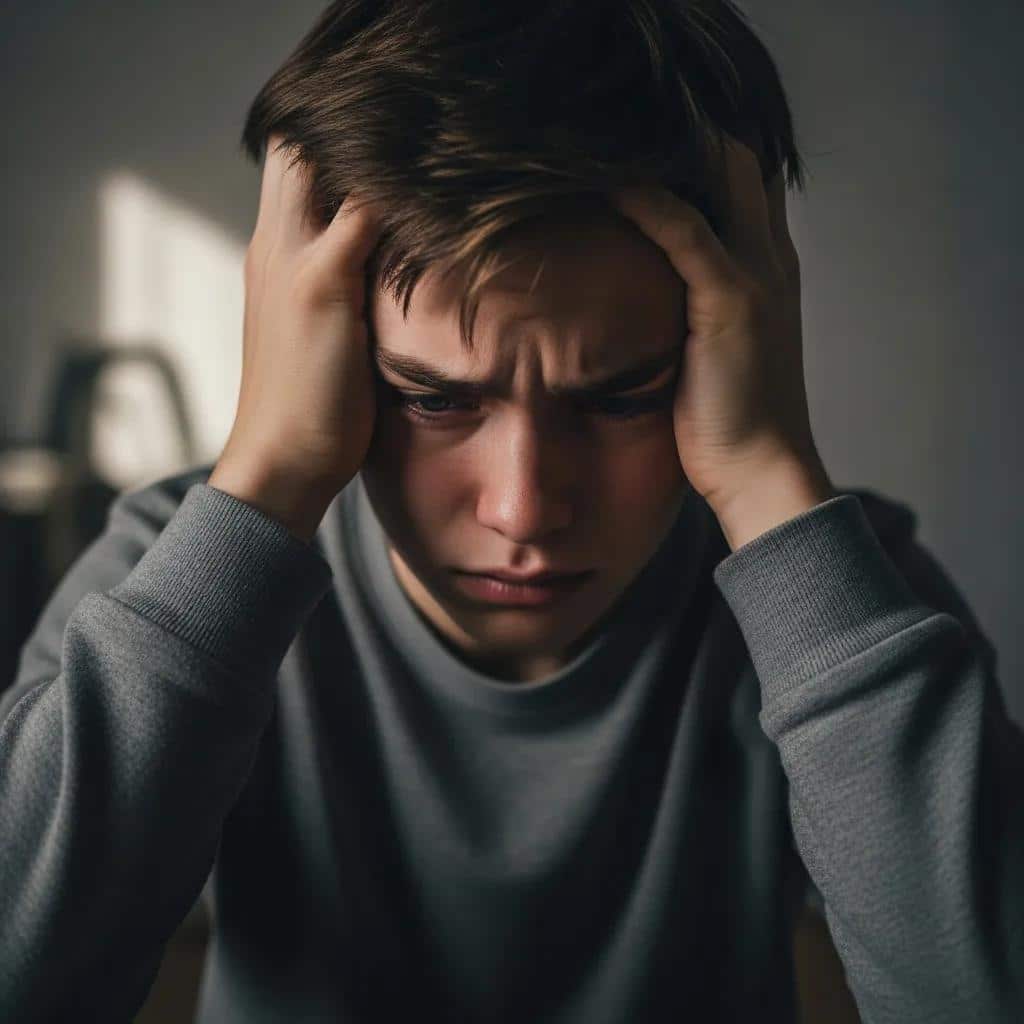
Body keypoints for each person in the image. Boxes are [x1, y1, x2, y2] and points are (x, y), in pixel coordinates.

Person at [2, 2, 1021, 1021]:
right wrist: (266, 473)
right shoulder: (173, 575)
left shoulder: (833, 596)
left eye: (622, 396)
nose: (524, 508)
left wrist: (766, 473)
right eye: (433, 397)